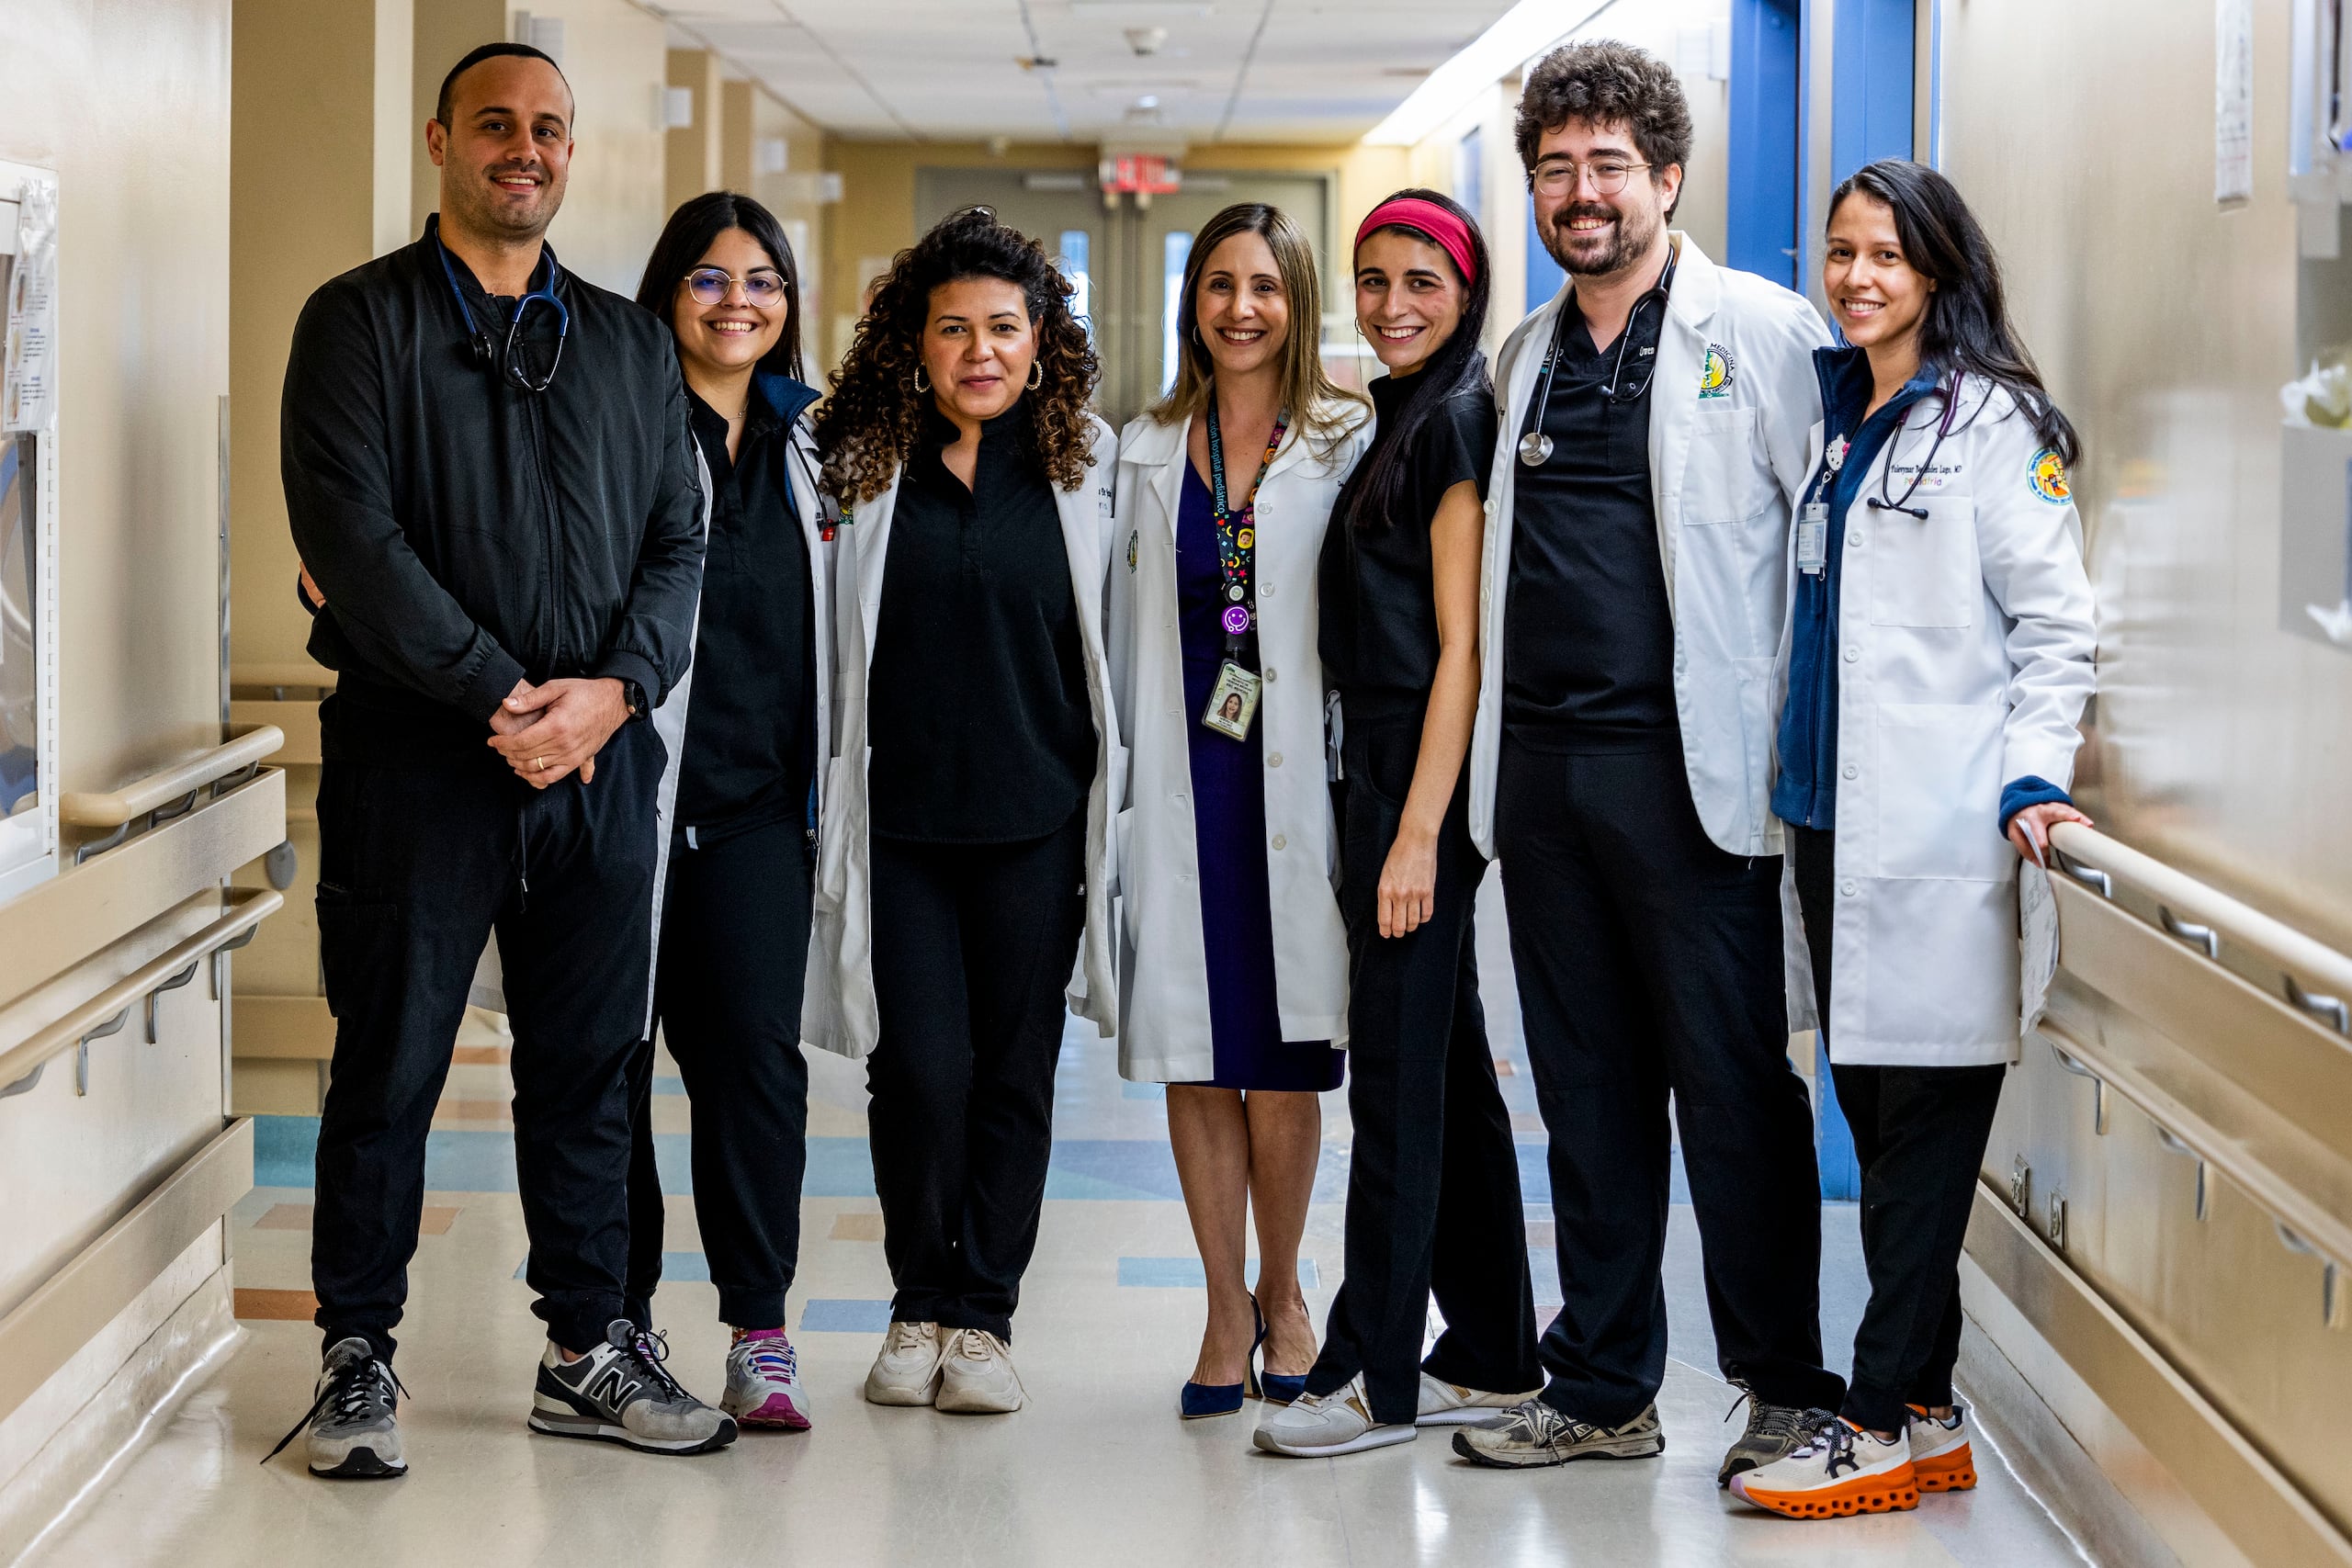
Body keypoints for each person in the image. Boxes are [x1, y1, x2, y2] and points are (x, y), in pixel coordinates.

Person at [271, 41, 726, 1478]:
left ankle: (586, 1344)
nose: (523, 149)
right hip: (420, 765)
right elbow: (352, 545)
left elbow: (678, 542)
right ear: (439, 141)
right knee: (388, 1064)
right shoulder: (358, 325)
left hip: (599, 768)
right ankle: (356, 1355)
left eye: (548, 129)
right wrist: (500, 695)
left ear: (570, 154)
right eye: (495, 126)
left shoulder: (632, 344)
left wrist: (612, 696)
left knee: (590, 1069)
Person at [1451, 40, 1848, 1478]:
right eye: (1555, 168)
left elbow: (1827, 550)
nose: (1580, 192)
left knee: (1736, 1090)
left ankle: (1786, 1386)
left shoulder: (1761, 330)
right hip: (1547, 785)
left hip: (1700, 786)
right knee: (1588, 1094)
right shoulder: (1527, 356)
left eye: (1609, 164)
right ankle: (1605, 1383)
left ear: (1668, 176)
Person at [1729, 160, 2096, 1519]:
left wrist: (2032, 779)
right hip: (1830, 822)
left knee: (1924, 1146)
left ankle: (1874, 1418)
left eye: (1887, 254)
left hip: (1939, 838)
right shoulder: (1843, 415)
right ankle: (1930, 1406)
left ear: (1939, 269)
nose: (1858, 276)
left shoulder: (1996, 425)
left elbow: (2056, 624)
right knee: (1876, 1129)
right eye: (1842, 252)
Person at [808, 208, 1120, 1416]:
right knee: (920, 1073)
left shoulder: (1085, 469)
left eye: (1004, 327)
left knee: (1015, 1072)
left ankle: (982, 1317)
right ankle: (914, 1304)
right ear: (913, 341)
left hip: (1038, 824)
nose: (980, 350)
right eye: (954, 329)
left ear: (1042, 340)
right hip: (900, 829)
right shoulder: (852, 461)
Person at [1254, 190, 1543, 1458]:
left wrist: (1420, 834)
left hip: (1417, 785)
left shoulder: (1460, 424)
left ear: (1467, 289)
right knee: (1449, 1070)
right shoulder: (1397, 416)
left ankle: (1375, 1377)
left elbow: (1462, 657)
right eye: (1372, 281)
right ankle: (1492, 1349)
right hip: (1375, 773)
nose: (1393, 305)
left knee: (1399, 1084)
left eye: (1421, 280)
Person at [1106, 202, 1368, 1420]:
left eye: (1264, 285)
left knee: (1287, 1060)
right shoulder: (1145, 447)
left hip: (1299, 783)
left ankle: (1286, 1292)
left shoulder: (1347, 437)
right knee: (1199, 1056)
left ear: (1298, 300)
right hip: (1188, 776)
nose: (1241, 308)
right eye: (1218, 285)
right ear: (1190, 303)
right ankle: (1223, 1305)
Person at [616, 190, 832, 1432]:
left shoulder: (819, 449)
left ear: (788, 303)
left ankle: (761, 1329)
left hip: (755, 823)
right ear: (666, 293)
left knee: (757, 1072)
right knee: (610, 1072)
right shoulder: (623, 430)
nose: (737, 301)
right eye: (708, 277)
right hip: (626, 810)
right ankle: (620, 1321)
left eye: (760, 280)